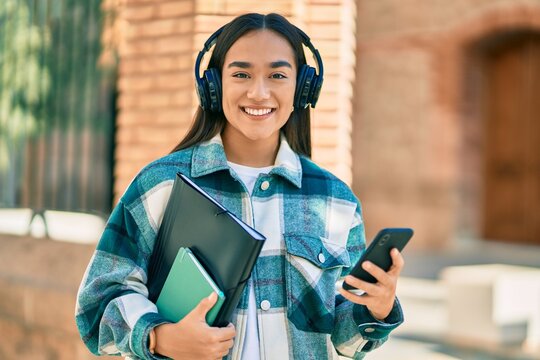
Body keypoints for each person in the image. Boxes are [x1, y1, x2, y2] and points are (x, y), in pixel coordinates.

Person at [75, 12, 404, 360]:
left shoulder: (336, 201)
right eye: (241, 74)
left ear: (303, 87)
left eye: (277, 75)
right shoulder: (159, 185)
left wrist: (376, 310)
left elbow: (344, 341)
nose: (258, 92)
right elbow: (97, 308)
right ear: (214, 86)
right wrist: (160, 338)